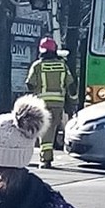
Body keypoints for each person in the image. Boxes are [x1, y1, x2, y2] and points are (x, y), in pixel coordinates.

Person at [25, 37, 76, 169]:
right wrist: (72, 102)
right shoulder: (62, 65)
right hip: (58, 104)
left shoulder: (37, 65)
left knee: (45, 132)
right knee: (51, 130)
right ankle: (47, 156)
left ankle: (46, 159)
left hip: (42, 105)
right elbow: (71, 85)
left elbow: (30, 84)